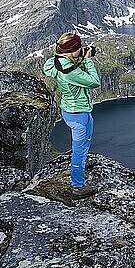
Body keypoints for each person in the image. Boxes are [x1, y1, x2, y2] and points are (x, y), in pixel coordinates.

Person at [43, 32, 100, 199]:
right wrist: (88, 59)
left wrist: (77, 56)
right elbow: (94, 81)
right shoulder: (69, 72)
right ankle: (77, 187)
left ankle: (80, 165)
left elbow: (49, 65)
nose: (81, 50)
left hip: (75, 111)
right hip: (78, 113)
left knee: (86, 140)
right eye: (78, 48)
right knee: (79, 149)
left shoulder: (58, 62)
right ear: (71, 51)